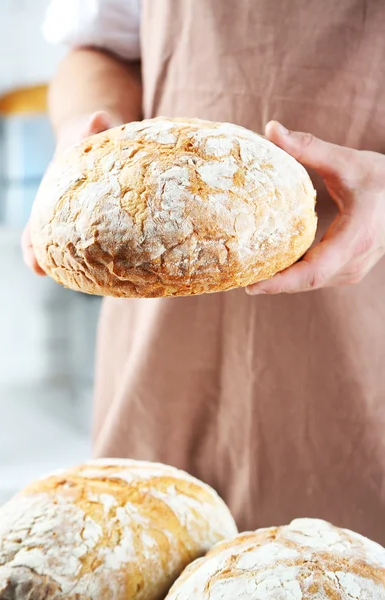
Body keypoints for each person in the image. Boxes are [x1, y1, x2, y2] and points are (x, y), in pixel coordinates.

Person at [22, 0, 385, 543]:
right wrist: (86, 135)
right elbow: (98, 50)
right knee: (144, 545)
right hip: (157, 305)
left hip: (364, 324)